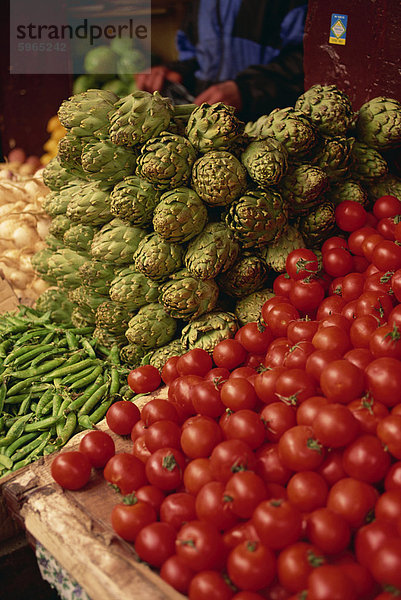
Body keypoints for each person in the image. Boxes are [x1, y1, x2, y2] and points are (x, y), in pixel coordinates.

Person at [136, 0, 308, 122]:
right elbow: (197, 56)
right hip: (208, 128)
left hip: (270, 126)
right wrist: (177, 71)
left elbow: (307, 60)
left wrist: (247, 91)